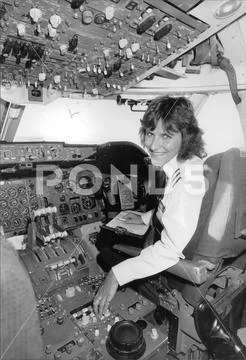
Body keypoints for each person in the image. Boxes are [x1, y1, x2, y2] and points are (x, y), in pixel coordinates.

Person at [93, 96, 206, 317]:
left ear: (185, 136)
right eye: (150, 133)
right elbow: (172, 207)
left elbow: (170, 250)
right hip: (170, 241)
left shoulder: (188, 179)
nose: (153, 145)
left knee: (105, 248)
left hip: (170, 260)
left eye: (166, 135)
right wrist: (145, 218)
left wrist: (115, 275)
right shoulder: (187, 165)